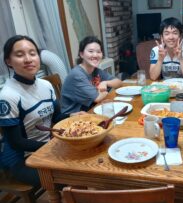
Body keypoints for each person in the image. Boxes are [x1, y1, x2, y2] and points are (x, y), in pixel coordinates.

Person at [0, 35, 84, 187]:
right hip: (22, 160)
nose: (28, 59)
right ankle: (68, 201)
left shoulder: (46, 85)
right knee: (72, 176)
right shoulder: (8, 96)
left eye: (33, 53)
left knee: (85, 159)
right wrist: (55, 147)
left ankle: (75, 199)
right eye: (19, 55)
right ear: (8, 61)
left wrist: (73, 115)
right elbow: (16, 142)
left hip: (47, 146)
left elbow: (57, 117)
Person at [61, 36, 122, 114]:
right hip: (74, 119)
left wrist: (105, 83)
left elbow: (119, 82)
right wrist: (105, 92)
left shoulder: (95, 70)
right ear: (81, 54)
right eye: (91, 51)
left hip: (91, 110)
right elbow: (97, 98)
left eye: (98, 51)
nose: (95, 55)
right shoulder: (77, 75)